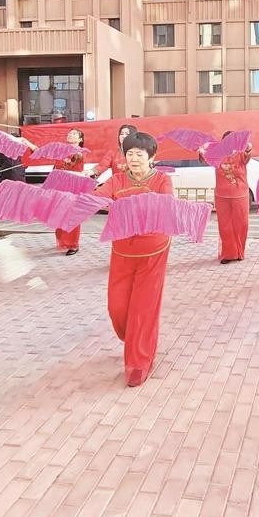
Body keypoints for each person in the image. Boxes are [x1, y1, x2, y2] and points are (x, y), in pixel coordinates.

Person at [92, 132, 174, 387]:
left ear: (152, 157)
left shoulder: (162, 180)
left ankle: (139, 362)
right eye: (129, 154)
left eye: (140, 154)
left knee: (143, 307)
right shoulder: (117, 180)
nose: (134, 158)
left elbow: (166, 205)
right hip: (122, 250)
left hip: (153, 250)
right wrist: (80, 199)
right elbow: (97, 198)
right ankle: (136, 339)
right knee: (117, 308)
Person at [199, 131, 253, 264]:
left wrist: (248, 148)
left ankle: (240, 252)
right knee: (225, 226)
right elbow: (203, 158)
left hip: (240, 194)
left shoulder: (240, 153)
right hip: (222, 195)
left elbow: (247, 156)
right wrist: (201, 150)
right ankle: (228, 254)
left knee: (241, 224)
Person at [55, 128, 87, 256]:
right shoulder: (62, 150)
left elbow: (73, 162)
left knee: (72, 215)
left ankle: (73, 244)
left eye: (74, 134)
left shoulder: (80, 152)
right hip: (59, 185)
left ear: (80, 139)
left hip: (73, 186)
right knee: (59, 213)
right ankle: (62, 241)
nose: (70, 135)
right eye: (69, 133)